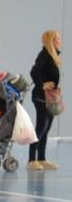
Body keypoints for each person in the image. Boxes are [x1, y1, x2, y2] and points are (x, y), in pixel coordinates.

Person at [29, 29, 60, 170]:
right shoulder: (44, 55)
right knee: (41, 128)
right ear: (51, 41)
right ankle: (31, 160)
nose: (60, 41)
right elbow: (34, 71)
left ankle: (41, 158)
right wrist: (42, 85)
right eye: (58, 38)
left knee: (46, 129)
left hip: (51, 97)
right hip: (41, 97)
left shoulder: (52, 56)